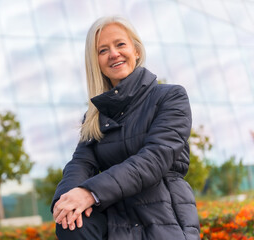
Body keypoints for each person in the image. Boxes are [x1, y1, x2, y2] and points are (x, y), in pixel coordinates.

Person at [51, 16, 200, 240]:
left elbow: (154, 160)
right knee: (72, 224)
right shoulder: (94, 117)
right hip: (117, 220)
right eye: (103, 50)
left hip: (163, 216)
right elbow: (80, 163)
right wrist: (65, 201)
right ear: (96, 62)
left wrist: (91, 192)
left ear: (136, 51)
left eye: (120, 44)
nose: (113, 54)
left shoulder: (171, 97)